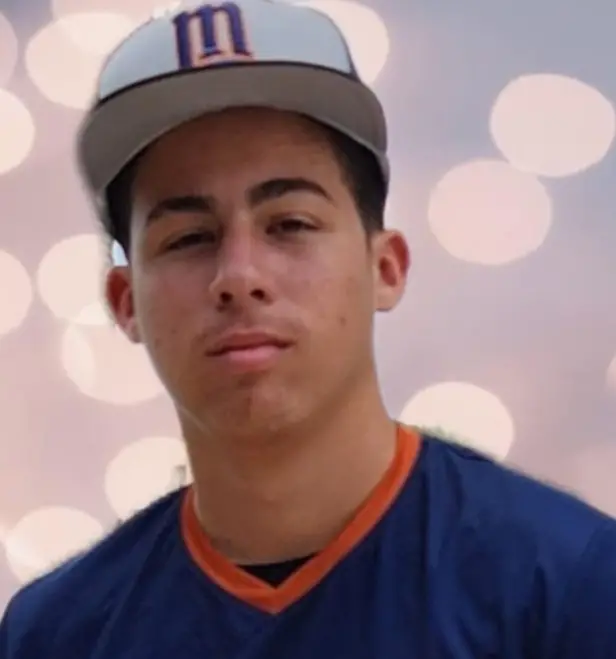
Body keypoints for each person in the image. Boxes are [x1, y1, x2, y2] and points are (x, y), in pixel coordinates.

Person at [2, 1, 616, 656]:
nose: (239, 275)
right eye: (189, 237)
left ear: (385, 268)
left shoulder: (570, 586)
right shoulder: (53, 634)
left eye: (290, 224)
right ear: (124, 301)